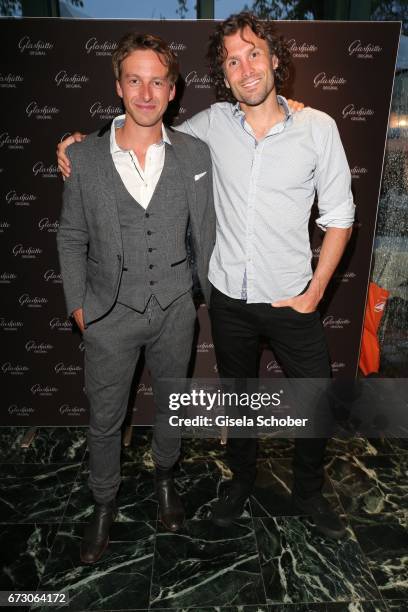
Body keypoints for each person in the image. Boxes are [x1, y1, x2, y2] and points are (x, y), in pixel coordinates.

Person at [57, 12, 355, 540]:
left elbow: (340, 218)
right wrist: (84, 141)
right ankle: (238, 485)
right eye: (232, 61)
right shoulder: (209, 127)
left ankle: (309, 494)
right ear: (225, 74)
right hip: (228, 302)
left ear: (275, 60)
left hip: (292, 299)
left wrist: (315, 294)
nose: (245, 69)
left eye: (254, 54)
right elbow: (146, 127)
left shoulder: (318, 128)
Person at [57, 32, 215, 564]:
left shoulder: (197, 153)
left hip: (175, 308)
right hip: (107, 313)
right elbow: (71, 236)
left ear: (173, 91)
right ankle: (103, 502)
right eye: (135, 80)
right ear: (119, 86)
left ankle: (166, 481)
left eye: (157, 81)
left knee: (172, 404)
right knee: (105, 418)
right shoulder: (83, 156)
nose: (146, 93)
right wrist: (79, 306)